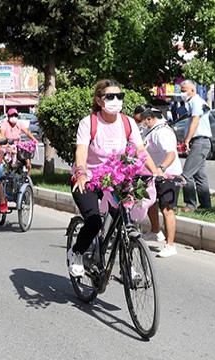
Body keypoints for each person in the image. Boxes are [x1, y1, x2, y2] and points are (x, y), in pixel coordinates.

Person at [68, 79, 162, 277]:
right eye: (110, 96)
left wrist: (156, 170)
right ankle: (76, 253)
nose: (116, 100)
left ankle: (128, 265)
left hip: (114, 179)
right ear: (99, 100)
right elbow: (81, 150)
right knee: (94, 222)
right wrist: (81, 173)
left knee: (125, 219)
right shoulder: (89, 123)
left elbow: (139, 150)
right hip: (89, 178)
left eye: (119, 96)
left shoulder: (127, 122)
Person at [134, 105, 183, 258]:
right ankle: (155, 231)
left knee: (166, 209)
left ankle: (170, 245)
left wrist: (161, 168)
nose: (138, 124)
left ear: (149, 118)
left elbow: (171, 154)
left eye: (140, 121)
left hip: (168, 174)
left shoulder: (162, 132)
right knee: (148, 201)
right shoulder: (148, 130)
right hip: (151, 173)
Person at [179, 79, 212, 212]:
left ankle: (190, 205)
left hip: (200, 142)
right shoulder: (195, 102)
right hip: (201, 142)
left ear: (192, 90)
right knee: (200, 176)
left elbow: (195, 122)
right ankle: (205, 205)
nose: (182, 94)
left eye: (184, 91)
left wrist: (186, 141)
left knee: (186, 175)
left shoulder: (195, 102)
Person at [0, 108, 36, 172]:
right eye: (11, 116)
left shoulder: (19, 123)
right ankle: (9, 172)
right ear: (8, 116)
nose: (13, 117)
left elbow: (27, 132)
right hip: (8, 144)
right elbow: (2, 134)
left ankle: (27, 177)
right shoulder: (5, 123)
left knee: (27, 160)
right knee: (9, 158)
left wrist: (34, 139)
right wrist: (5, 144)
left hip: (18, 144)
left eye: (15, 116)